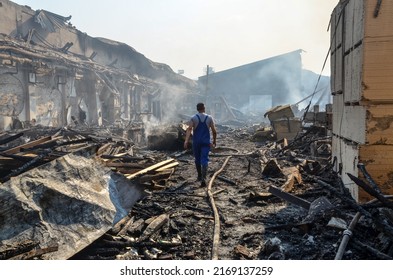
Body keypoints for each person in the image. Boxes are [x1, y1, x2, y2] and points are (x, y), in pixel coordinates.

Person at [184, 103, 217, 187]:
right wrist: (214, 141)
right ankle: (204, 178)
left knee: (197, 159)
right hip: (206, 142)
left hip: (196, 142)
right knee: (205, 159)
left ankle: (199, 175)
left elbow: (189, 129)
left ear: (197, 109)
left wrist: (186, 141)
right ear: (204, 108)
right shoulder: (209, 118)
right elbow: (214, 131)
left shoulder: (193, 118)